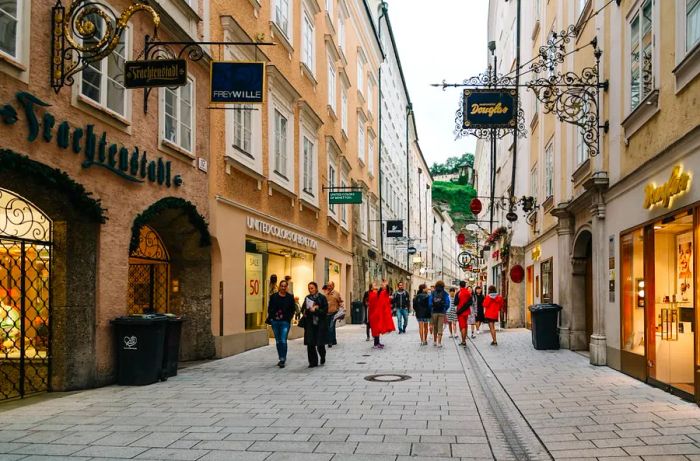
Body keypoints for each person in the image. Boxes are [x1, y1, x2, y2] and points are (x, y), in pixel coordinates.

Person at [266, 279, 296, 368]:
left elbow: (292, 309)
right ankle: (280, 357)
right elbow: (270, 307)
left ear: (287, 287)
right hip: (275, 321)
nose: (283, 288)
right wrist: (271, 318)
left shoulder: (290, 297)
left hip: (284, 322)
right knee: (278, 341)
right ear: (279, 286)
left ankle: (283, 359)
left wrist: (288, 319)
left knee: (283, 340)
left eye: (284, 286)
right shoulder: (274, 296)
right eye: (281, 286)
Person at [301, 282, 329, 367]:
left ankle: (322, 356)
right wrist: (307, 310)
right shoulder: (307, 298)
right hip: (310, 324)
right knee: (310, 344)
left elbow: (325, 311)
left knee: (320, 344)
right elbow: (303, 309)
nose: (310, 290)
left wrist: (316, 310)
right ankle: (313, 362)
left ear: (316, 288)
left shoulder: (322, 298)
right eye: (309, 288)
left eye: (312, 288)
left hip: (320, 324)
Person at [368, 280, 395, 349]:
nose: (376, 284)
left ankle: (377, 343)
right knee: (376, 329)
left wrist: (385, 286)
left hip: (376, 314)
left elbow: (385, 292)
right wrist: (383, 287)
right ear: (371, 288)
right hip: (374, 314)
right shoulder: (372, 294)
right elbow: (380, 295)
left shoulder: (375, 293)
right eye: (374, 285)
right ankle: (375, 344)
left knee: (377, 328)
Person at [429, 281, 450, 348]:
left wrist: (432, 309)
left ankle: (435, 341)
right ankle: (439, 343)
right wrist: (444, 310)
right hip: (441, 312)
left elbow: (429, 303)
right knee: (440, 327)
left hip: (434, 312)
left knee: (435, 327)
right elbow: (447, 303)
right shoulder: (445, 293)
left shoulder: (432, 293)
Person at [325, 281, 344, 348]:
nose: (329, 287)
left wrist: (341, 310)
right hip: (327, 313)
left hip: (334, 313)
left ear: (333, 286)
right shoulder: (325, 293)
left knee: (331, 327)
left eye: (330, 286)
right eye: (328, 286)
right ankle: (333, 340)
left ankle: (330, 342)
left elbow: (340, 302)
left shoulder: (336, 294)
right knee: (329, 327)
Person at [455, 281, 472, 346]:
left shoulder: (459, 293)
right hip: (467, 311)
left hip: (460, 311)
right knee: (465, 325)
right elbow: (470, 302)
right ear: (465, 285)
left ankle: (463, 341)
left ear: (460, 285)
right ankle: (464, 339)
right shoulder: (468, 292)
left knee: (462, 326)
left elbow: (456, 303)